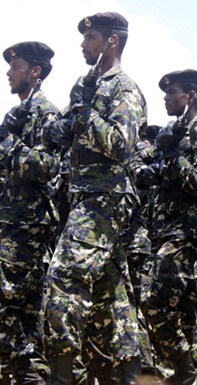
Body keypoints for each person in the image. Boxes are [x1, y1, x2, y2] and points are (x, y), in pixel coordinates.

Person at [44, 11, 147, 385]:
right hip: (83, 195)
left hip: (104, 197)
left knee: (63, 278)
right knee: (110, 293)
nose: (83, 45)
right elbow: (60, 132)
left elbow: (122, 144)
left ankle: (61, 376)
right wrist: (63, 126)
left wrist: (86, 115)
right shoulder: (86, 84)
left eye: (90, 39)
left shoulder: (124, 88)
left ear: (111, 42)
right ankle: (128, 375)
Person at [133, 69, 197, 385]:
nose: (166, 98)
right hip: (164, 231)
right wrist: (151, 171)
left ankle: (185, 370)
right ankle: (192, 374)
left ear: (191, 96)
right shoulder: (170, 133)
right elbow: (157, 175)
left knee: (154, 300)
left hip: (187, 233)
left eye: (172, 93)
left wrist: (173, 159)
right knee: (183, 311)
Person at [0, 41, 59, 385]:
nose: (9, 72)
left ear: (34, 72)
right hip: (10, 220)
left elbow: (48, 166)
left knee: (12, 303)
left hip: (29, 223)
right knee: (24, 310)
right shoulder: (13, 115)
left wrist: (9, 143)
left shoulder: (46, 114)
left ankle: (26, 373)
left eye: (16, 66)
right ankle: (29, 375)